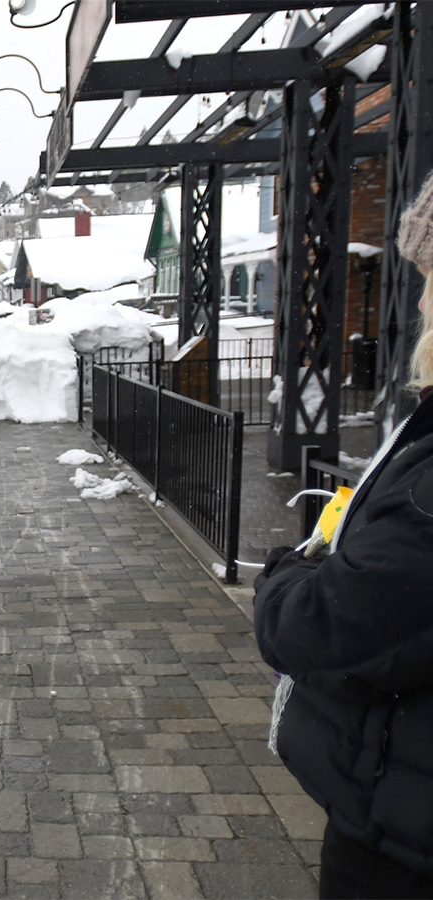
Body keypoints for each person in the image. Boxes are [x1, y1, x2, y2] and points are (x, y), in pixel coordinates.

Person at [254, 173, 433, 899]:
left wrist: (284, 581)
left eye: (429, 279)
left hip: (404, 838)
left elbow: (339, 624)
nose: (419, 301)